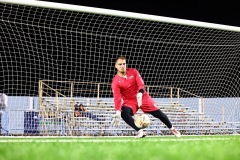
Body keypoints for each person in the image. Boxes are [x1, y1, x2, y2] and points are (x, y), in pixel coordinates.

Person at [111, 56, 181, 138]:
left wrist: (140, 93)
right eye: (120, 64)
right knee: (123, 113)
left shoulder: (134, 72)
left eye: (124, 64)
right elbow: (117, 97)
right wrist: (118, 111)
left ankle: (172, 129)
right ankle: (140, 131)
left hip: (142, 97)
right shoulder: (115, 81)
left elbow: (141, 84)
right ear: (116, 66)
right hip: (130, 101)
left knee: (159, 114)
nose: (122, 66)